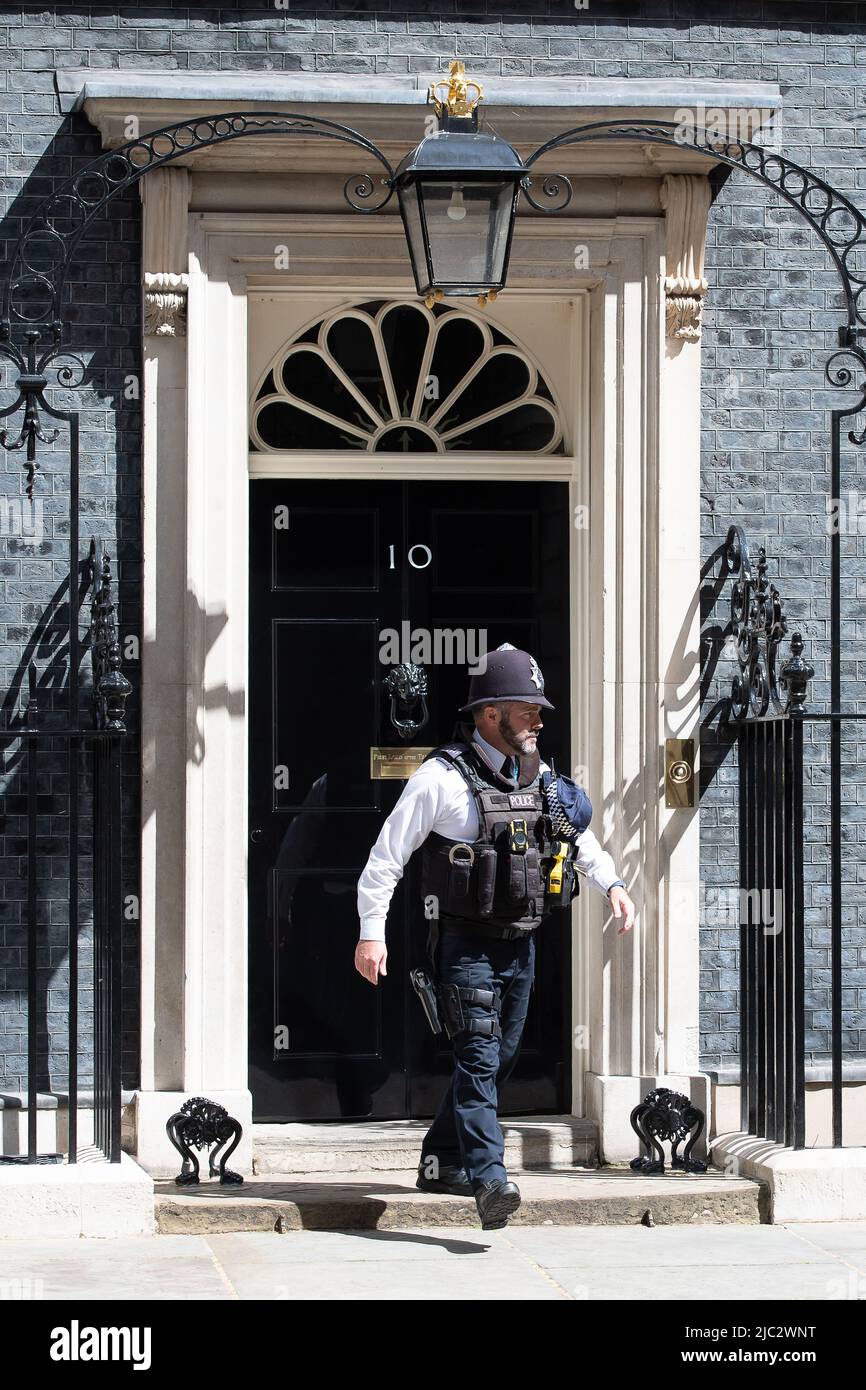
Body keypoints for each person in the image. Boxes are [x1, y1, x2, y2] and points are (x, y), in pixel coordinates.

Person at [354, 644, 635, 1229]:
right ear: (489, 715)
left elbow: (577, 839)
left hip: (521, 944)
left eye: (538, 709)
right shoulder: (441, 778)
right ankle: (491, 1181)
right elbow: (386, 858)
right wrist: (370, 934)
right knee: (480, 1057)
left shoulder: (542, 776)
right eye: (526, 708)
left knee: (495, 1059)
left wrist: (612, 884)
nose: (538, 718)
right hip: (466, 948)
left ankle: (441, 1158)